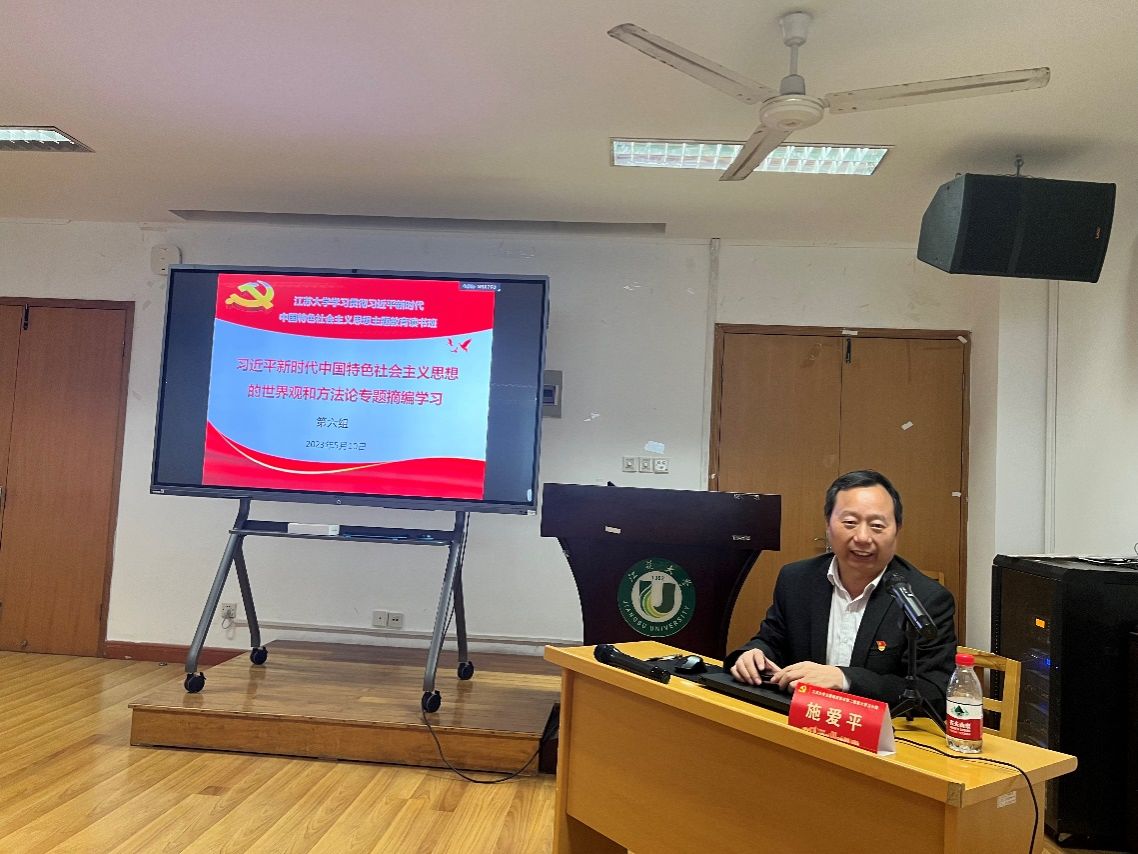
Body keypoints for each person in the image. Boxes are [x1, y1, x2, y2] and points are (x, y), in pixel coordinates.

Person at [725, 469, 957, 710]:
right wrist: (754, 654)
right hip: (798, 718)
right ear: (828, 524)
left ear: (897, 530)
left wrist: (845, 679)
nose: (863, 537)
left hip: (878, 728)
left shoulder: (925, 599)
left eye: (877, 525)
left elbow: (934, 690)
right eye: (850, 523)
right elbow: (773, 640)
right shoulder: (796, 580)